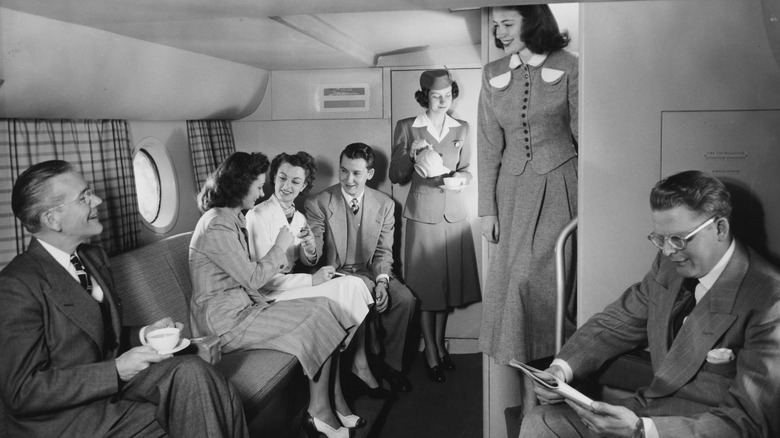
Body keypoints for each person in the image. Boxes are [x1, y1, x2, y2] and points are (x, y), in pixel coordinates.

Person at [520, 170, 780, 438]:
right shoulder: (668, 267)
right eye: (660, 239)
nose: (668, 251)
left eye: (678, 239)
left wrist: (640, 430)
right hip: (646, 413)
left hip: (694, 430)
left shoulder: (771, 300)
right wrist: (560, 369)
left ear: (720, 229)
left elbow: (749, 423)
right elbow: (616, 323)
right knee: (543, 422)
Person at [0, 160, 247, 438]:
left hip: (109, 391)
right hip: (64, 420)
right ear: (51, 219)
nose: (98, 200)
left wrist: (145, 334)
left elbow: (97, 335)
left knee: (200, 376)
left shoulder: (94, 259)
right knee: (202, 405)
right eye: (84, 197)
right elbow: (23, 392)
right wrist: (116, 370)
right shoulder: (17, 285)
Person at [189, 151, 362, 438]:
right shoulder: (217, 223)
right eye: (257, 186)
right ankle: (320, 412)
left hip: (243, 309)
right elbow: (253, 277)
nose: (260, 193)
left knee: (323, 307)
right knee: (317, 317)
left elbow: (248, 275)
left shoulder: (229, 218)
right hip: (223, 323)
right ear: (239, 185)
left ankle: (319, 408)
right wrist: (280, 246)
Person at [477, 4, 578, 414]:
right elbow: (487, 144)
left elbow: (587, 135)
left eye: (507, 24)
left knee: (541, 291)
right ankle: (530, 411)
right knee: (513, 298)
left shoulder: (569, 65)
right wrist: (488, 209)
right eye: (496, 24)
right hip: (511, 195)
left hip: (560, 188)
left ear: (532, 21)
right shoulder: (492, 72)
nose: (499, 32)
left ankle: (550, 410)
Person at [245, 151, 383, 396]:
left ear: (304, 186)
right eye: (282, 178)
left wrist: (309, 248)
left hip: (290, 284)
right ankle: (350, 356)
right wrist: (312, 279)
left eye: (295, 182)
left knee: (354, 284)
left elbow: (306, 259)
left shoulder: (297, 217)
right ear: (273, 178)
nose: (287, 186)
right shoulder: (257, 216)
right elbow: (262, 278)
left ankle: (352, 355)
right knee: (344, 289)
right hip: (271, 292)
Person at [389, 70, 481, 383]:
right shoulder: (407, 126)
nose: (442, 102)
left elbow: (466, 168)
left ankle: (439, 347)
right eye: (435, 96)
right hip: (423, 216)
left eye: (448, 96)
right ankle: (430, 351)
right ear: (425, 96)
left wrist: (464, 180)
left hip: (453, 215)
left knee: (446, 288)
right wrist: (410, 153)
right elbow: (396, 175)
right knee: (426, 290)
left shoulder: (463, 128)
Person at [305, 142, 416, 394]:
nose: (349, 179)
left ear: (370, 174)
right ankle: (364, 366)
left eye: (356, 173)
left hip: (371, 272)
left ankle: (389, 366)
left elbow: (383, 253)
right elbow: (315, 257)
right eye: (344, 171)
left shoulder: (385, 205)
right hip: (337, 275)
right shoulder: (318, 203)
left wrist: (382, 282)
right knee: (363, 290)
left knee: (405, 300)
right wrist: (307, 245)